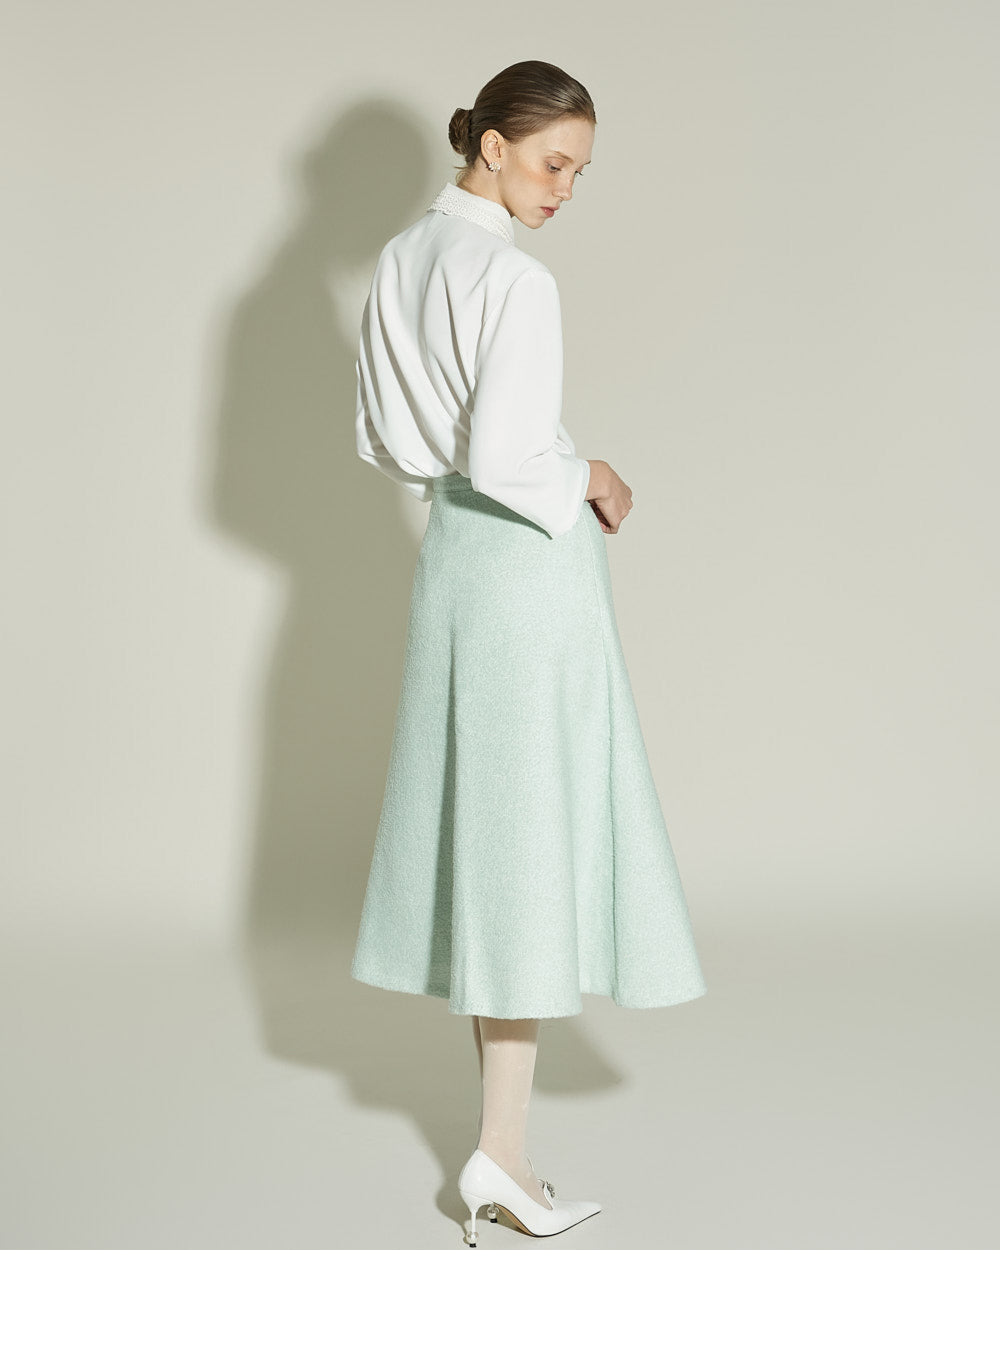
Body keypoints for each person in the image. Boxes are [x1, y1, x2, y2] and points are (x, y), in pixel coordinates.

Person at [350, 60, 707, 1245]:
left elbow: (387, 444)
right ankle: (500, 1156)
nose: (563, 189)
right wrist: (588, 470)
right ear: (492, 144)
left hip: (454, 558)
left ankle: (501, 1154)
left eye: (580, 174)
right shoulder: (511, 276)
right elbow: (512, 458)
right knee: (526, 850)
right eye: (553, 163)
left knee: (498, 849)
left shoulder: (402, 258)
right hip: (524, 566)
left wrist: (489, 468)